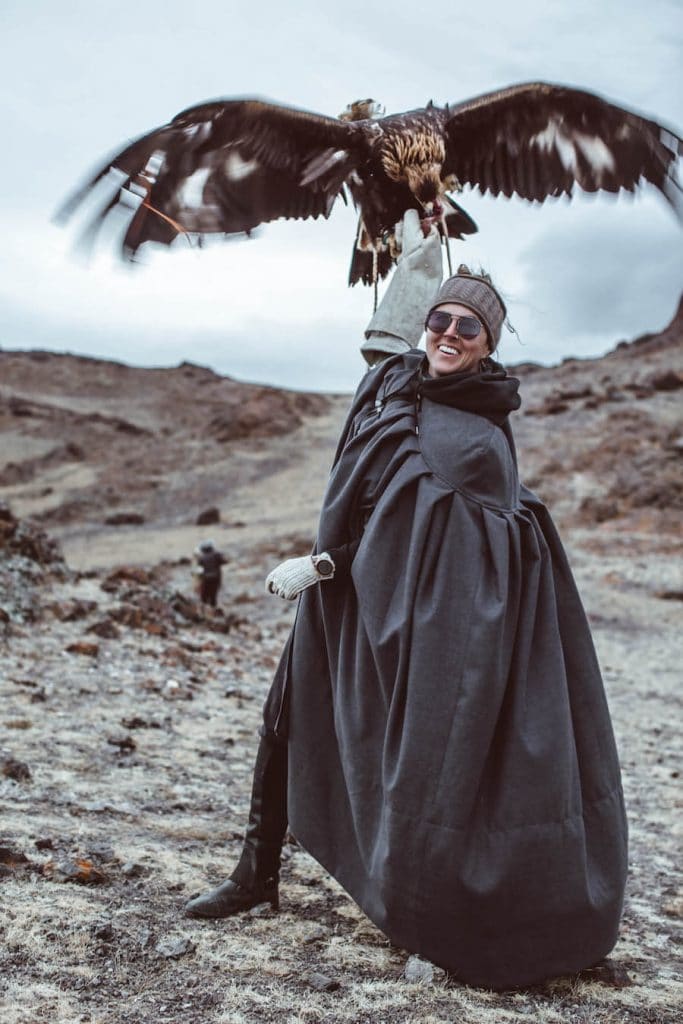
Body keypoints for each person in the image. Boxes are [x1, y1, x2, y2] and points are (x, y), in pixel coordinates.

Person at [184, 212, 628, 990]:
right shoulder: (395, 379)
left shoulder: (475, 442)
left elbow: (432, 556)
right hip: (340, 598)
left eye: (469, 327)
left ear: (489, 343)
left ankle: (427, 896)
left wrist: (324, 563)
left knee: (401, 755)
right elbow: (389, 322)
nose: (449, 333)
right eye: (442, 319)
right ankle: (254, 877)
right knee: (284, 718)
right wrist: (416, 225)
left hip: (406, 619)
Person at [193, 539, 227, 607]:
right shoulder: (217, 555)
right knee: (213, 596)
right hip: (216, 578)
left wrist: (197, 582)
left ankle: (204, 611)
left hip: (206, 579)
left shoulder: (201, 558)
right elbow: (225, 561)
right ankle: (213, 609)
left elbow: (199, 572)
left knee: (204, 597)